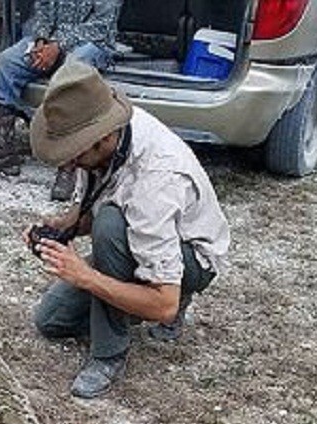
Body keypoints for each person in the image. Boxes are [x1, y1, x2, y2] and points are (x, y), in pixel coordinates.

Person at [27, 60, 231, 398]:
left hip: (190, 257)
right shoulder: (103, 135)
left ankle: (109, 354)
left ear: (103, 137)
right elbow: (102, 191)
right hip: (141, 239)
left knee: (109, 225)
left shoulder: (154, 181)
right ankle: (136, 294)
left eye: (73, 154)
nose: (67, 163)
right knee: (51, 321)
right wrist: (65, 228)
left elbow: (162, 303)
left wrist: (87, 277)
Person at [0, 0, 122, 200]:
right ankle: (3, 155)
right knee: (2, 65)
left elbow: (102, 26)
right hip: (50, 43)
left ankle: (70, 166)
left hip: (91, 43)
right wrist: (40, 40)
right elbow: (42, 11)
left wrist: (58, 45)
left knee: (71, 71)